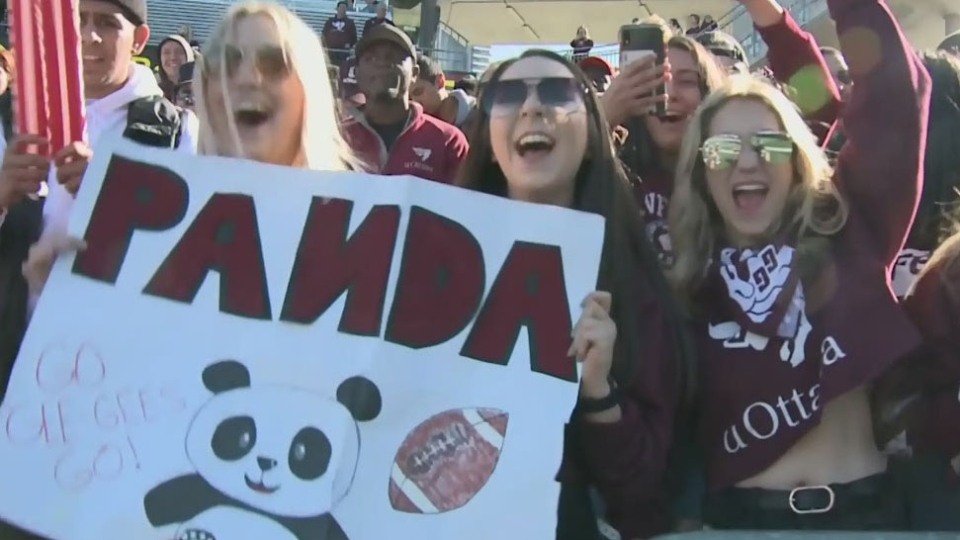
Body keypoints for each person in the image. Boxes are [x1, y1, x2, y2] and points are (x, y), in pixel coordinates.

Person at [667, 0, 929, 530]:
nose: (747, 160)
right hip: (737, 522)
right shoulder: (686, 286)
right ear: (700, 172)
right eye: (722, 149)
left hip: (865, 516)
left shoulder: (849, 227)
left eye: (768, 142)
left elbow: (895, 98)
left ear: (796, 160)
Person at [456, 48, 693, 540]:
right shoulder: (435, 271)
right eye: (508, 95)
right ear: (488, 139)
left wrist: (598, 396)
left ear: (591, 139)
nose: (532, 107)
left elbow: (643, 491)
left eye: (559, 92)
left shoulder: (634, 292)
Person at [195, 2, 359, 171]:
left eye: (274, 61)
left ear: (311, 91)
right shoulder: (167, 196)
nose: (247, 79)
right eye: (223, 61)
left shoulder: (359, 195)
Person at [342, 24, 467, 183]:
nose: (382, 63)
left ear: (414, 73)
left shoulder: (449, 141)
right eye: (371, 58)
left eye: (393, 57)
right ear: (357, 73)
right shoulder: (337, 139)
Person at [410, 53, 476, 129]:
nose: (414, 102)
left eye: (418, 92)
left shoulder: (480, 116)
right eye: (409, 98)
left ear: (439, 81)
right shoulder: (417, 129)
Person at [157, 33, 194, 101]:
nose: (173, 57)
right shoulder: (152, 91)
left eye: (179, 52)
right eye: (166, 53)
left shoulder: (201, 90)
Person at [322, 1, 358, 69]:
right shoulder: (330, 21)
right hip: (330, 50)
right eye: (341, 8)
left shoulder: (350, 23)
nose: (342, 10)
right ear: (337, 9)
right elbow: (324, 34)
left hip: (343, 52)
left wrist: (348, 46)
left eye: (344, 8)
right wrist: (325, 47)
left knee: (342, 69)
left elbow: (354, 38)